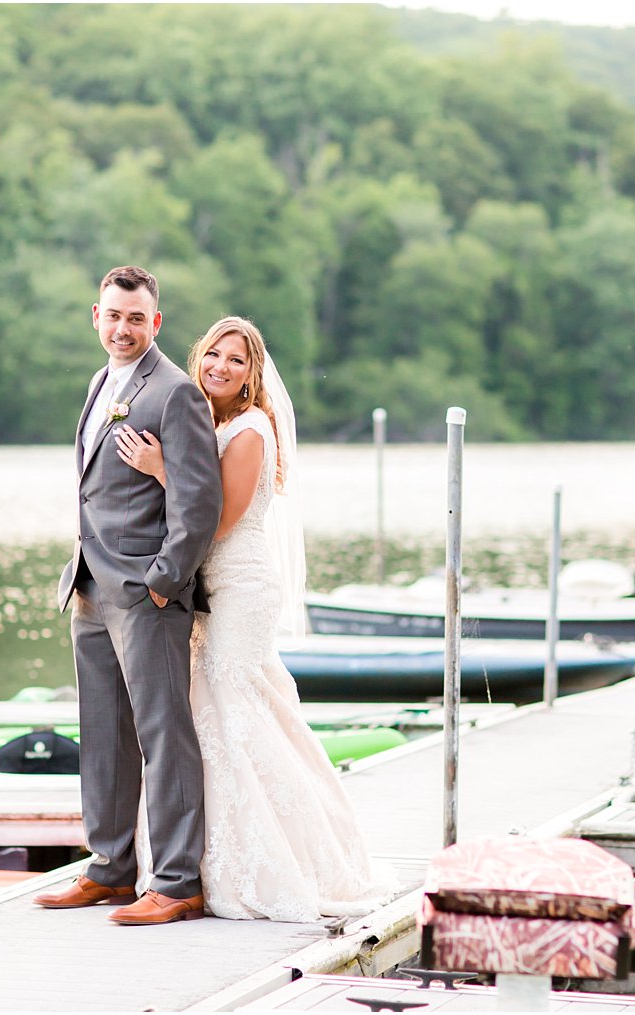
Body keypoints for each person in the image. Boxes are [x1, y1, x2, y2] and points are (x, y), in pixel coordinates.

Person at [114, 316, 395, 921]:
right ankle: (190, 860)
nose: (220, 366)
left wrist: (162, 471)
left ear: (252, 375)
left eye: (236, 360)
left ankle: (270, 863)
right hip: (206, 586)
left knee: (230, 713)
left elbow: (218, 518)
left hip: (239, 588)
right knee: (207, 713)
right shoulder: (201, 419)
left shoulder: (248, 431)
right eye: (213, 353)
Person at [32, 266, 223, 926]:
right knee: (103, 735)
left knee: (163, 734)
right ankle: (111, 869)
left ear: (156, 323)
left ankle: (175, 882)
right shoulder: (98, 383)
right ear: (95, 316)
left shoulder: (175, 393)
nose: (122, 328)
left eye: (135, 318)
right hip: (89, 582)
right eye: (113, 315)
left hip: (146, 593)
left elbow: (199, 501)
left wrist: (164, 582)